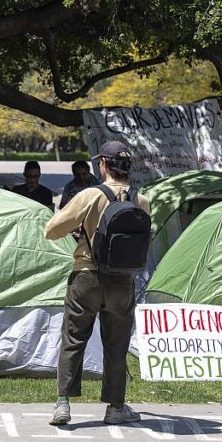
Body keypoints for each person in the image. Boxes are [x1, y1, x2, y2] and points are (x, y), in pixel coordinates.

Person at [43, 141, 149, 426]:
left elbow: (51, 231)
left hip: (86, 276)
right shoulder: (141, 200)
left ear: (103, 164)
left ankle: (63, 403)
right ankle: (116, 407)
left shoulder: (90, 195)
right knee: (116, 346)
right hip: (122, 281)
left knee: (73, 339)